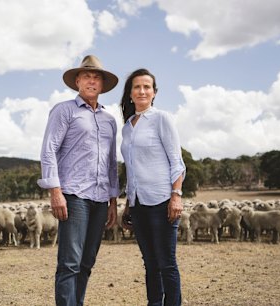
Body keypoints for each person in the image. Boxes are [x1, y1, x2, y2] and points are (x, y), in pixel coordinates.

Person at [37, 55, 120, 306]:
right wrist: (55, 191)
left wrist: (113, 201)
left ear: (103, 84)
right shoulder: (64, 111)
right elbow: (48, 150)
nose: (92, 81)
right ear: (77, 81)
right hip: (73, 196)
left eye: (97, 77)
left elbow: (111, 163)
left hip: (100, 198)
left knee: (86, 263)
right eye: (87, 76)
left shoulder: (109, 120)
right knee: (69, 263)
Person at [120, 68, 186, 306]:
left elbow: (176, 161)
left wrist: (176, 196)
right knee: (150, 263)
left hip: (162, 201)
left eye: (147, 87)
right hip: (138, 204)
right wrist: (128, 204)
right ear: (130, 94)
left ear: (154, 93)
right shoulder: (127, 126)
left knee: (166, 262)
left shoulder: (161, 119)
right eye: (137, 87)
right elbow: (132, 169)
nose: (142, 91)